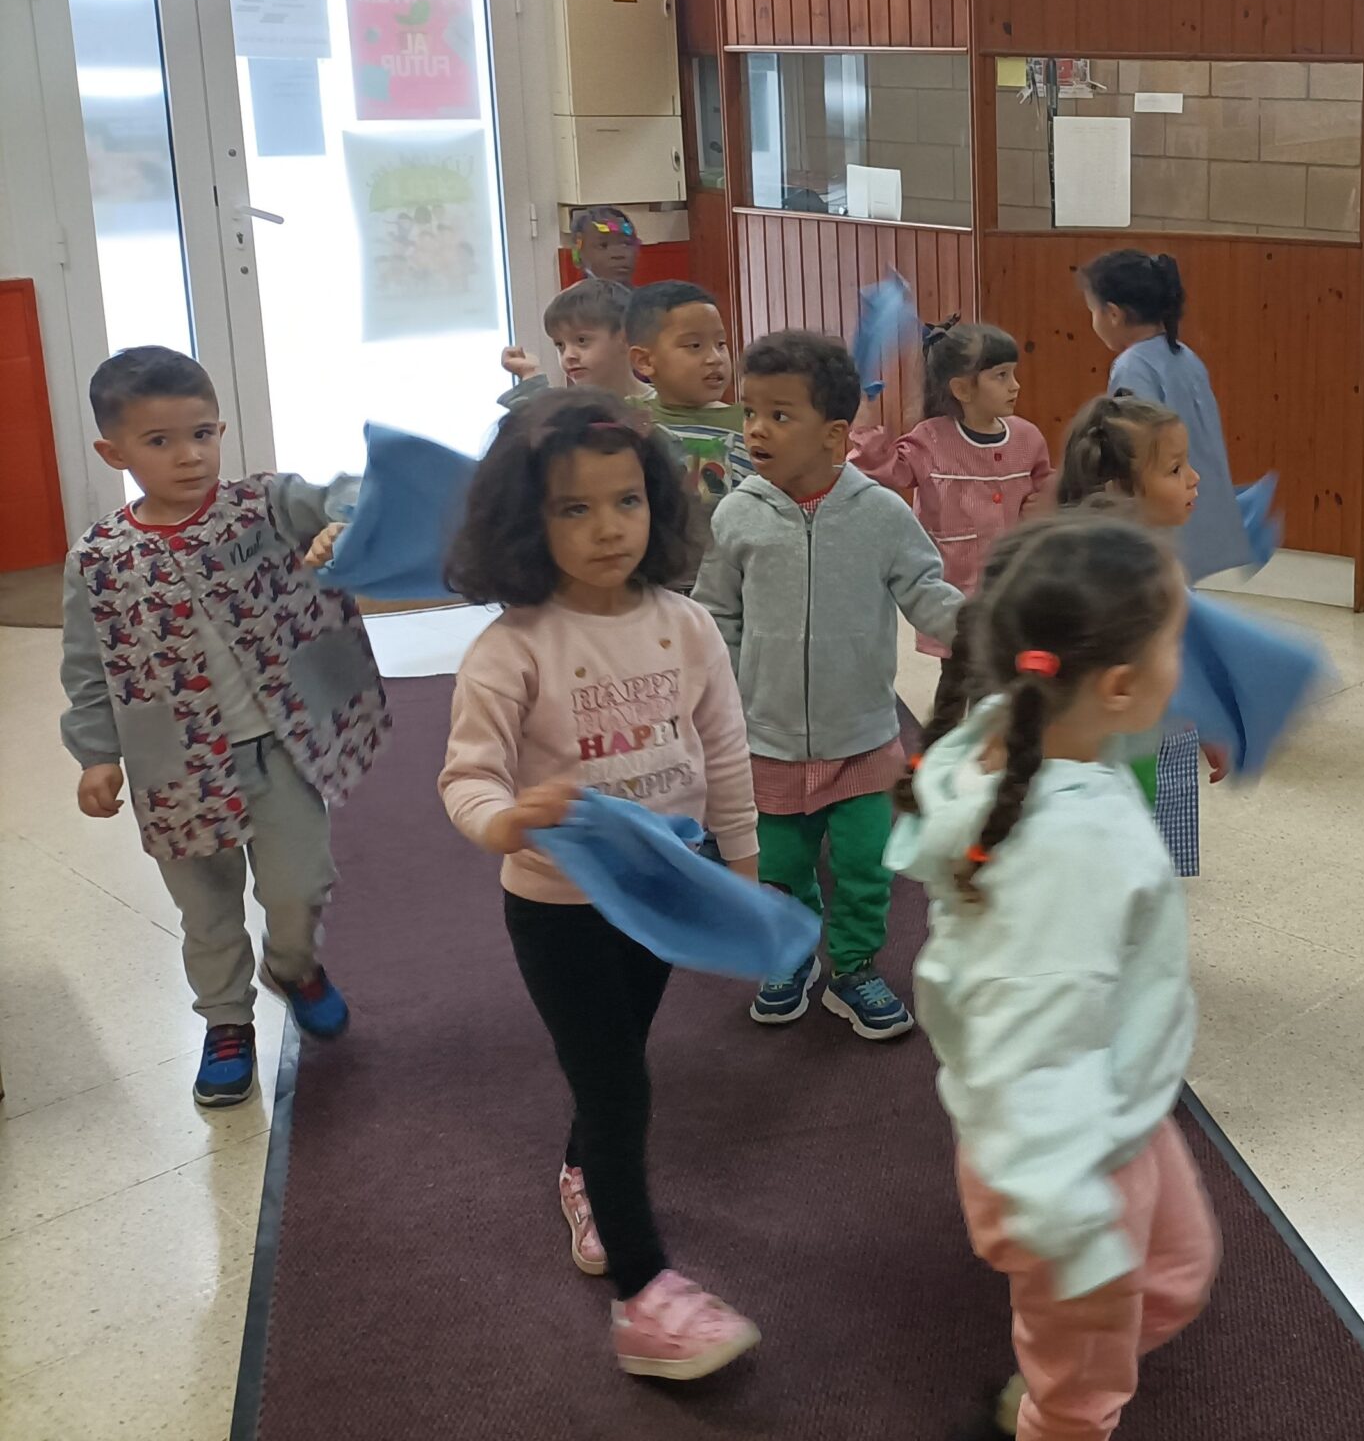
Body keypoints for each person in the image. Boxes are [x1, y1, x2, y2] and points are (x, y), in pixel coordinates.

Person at [438, 390, 761, 1381]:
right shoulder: (511, 649)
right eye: (573, 509)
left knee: (616, 1058)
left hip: (661, 890)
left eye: (626, 501)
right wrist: (508, 819)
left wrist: (742, 865)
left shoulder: (686, 624)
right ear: (523, 523)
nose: (608, 528)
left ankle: (582, 1172)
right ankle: (645, 1296)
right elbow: (468, 777)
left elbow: (722, 744)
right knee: (619, 1086)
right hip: (559, 908)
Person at [890, 509, 1217, 1441]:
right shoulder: (1071, 849)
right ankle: (1054, 1415)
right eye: (1175, 644)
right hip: (1066, 1155)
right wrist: (1074, 1233)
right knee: (1086, 1379)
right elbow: (1033, 1044)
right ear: (1117, 686)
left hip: (1114, 1102)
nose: (1184, 663)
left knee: (1176, 1278)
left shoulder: (1020, 738)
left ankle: (1061, 1379)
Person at [59, 346, 381, 1109]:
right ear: (114, 452)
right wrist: (96, 754)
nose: (189, 456)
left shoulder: (264, 504)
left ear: (221, 430)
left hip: (279, 747)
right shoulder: (98, 558)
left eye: (202, 434)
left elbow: (352, 493)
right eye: (160, 441)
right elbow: (87, 664)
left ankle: (294, 966)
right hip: (172, 765)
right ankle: (226, 1023)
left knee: (301, 885)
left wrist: (341, 523)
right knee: (206, 911)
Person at [695, 330, 965, 1037]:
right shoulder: (737, 513)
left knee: (866, 867)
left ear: (835, 434)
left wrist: (985, 628)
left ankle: (853, 967)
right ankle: (791, 957)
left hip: (863, 736)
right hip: (768, 738)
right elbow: (716, 616)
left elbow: (926, 589)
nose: (756, 429)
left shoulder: (881, 513)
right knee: (780, 869)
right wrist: (720, 704)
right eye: (751, 411)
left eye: (780, 415)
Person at [1052, 392, 1219, 876]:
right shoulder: (1085, 575)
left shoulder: (1161, 564)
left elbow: (1184, 657)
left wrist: (1206, 724)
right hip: (1099, 766)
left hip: (1152, 747)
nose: (1194, 478)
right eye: (1175, 469)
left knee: (1144, 860)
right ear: (1121, 488)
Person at [854, 319, 1053, 711]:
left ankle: (981, 739)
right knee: (960, 676)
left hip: (1011, 588)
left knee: (997, 678)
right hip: (953, 593)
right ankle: (950, 740)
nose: (1015, 386)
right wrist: (863, 421)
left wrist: (1046, 504)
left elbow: (1046, 486)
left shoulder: (1027, 438)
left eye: (1013, 374)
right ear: (961, 389)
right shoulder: (930, 440)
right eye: (1000, 375)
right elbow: (883, 469)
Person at [1078, 250, 1254, 583]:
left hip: (1166, 522)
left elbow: (1139, 451)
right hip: (1196, 511)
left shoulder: (1133, 367)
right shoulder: (1185, 357)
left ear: (1112, 313)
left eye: (1092, 311)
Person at [625, 279, 746, 586]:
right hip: (653, 585)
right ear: (645, 361)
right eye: (694, 346)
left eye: (721, 344)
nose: (714, 358)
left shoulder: (751, 422)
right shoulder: (630, 420)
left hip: (731, 585)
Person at [497, 277, 644, 409]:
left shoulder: (656, 408)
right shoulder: (571, 412)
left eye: (582, 340)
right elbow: (543, 421)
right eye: (560, 345)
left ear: (625, 338)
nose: (568, 355)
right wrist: (529, 373)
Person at [569, 205, 640, 284]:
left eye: (626, 244)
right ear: (579, 252)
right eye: (603, 245)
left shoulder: (647, 292)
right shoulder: (580, 292)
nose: (618, 254)